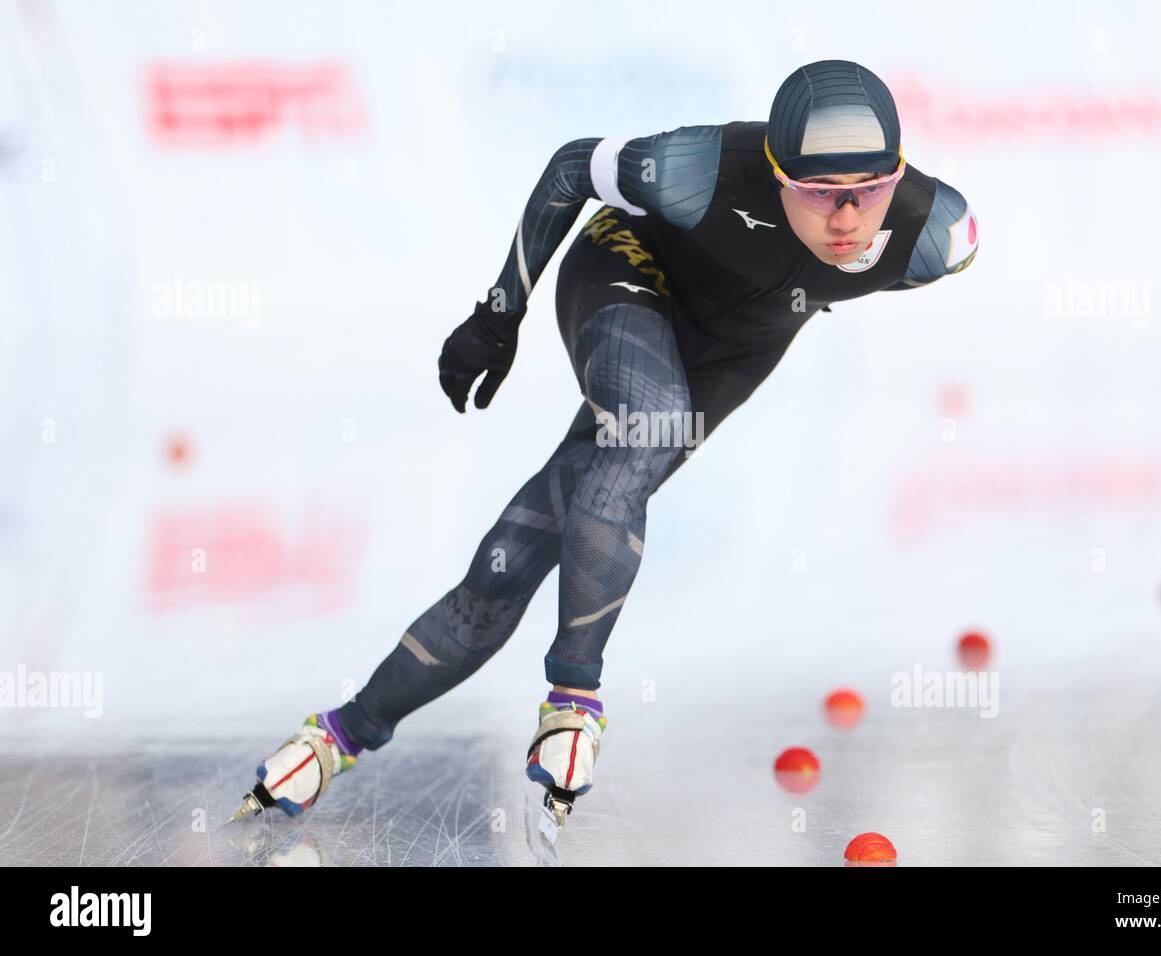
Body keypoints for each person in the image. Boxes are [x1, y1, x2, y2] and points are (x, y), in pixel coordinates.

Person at [232, 59, 979, 826]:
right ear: (776, 174)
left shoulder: (938, 234)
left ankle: (337, 736)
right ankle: (574, 698)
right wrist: (499, 312)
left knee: (520, 554)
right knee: (649, 423)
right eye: (821, 193)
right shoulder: (699, 169)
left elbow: (837, 256)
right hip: (630, 272)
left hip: (731, 355)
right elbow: (569, 168)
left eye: (871, 189)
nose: (848, 218)